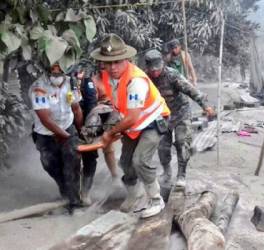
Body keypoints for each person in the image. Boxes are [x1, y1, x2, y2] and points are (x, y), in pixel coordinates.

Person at [90, 33, 170, 218]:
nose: (112, 67)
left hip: (151, 121)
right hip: (132, 124)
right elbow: (117, 106)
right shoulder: (105, 77)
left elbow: (133, 116)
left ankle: (156, 199)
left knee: (140, 160)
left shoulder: (136, 81)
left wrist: (110, 134)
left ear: (127, 59)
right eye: (108, 62)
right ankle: (134, 193)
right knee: (125, 162)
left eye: (117, 62)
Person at [144, 49, 215, 187]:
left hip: (180, 113)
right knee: (163, 148)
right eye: (152, 70)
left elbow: (191, 90)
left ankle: (181, 174)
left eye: (157, 69)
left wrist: (205, 106)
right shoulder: (145, 78)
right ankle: (167, 172)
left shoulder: (172, 75)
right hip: (161, 116)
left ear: (162, 65)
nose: (155, 72)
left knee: (182, 143)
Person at [29, 63, 83, 208]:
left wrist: (80, 130)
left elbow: (76, 109)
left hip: (67, 126)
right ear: (47, 71)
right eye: (53, 72)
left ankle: (75, 202)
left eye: (59, 73)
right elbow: (45, 119)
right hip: (45, 134)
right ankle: (64, 189)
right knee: (50, 165)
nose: (56, 76)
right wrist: (64, 136)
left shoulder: (71, 83)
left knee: (72, 163)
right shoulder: (38, 88)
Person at [72, 61, 118, 205]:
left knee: (95, 154)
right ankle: (72, 191)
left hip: (101, 121)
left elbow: (92, 106)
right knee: (73, 157)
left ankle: (87, 190)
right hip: (77, 124)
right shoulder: (92, 81)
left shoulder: (90, 83)